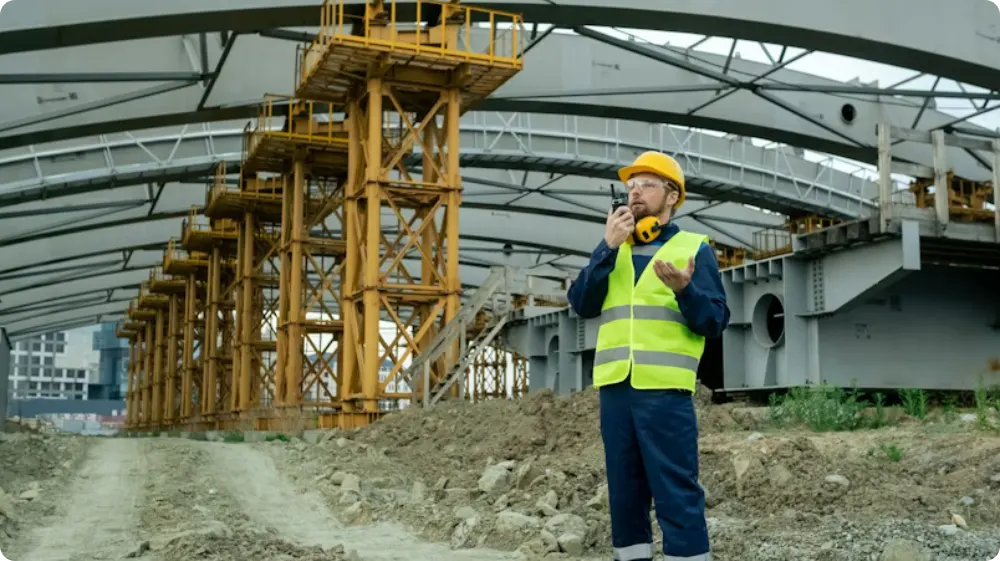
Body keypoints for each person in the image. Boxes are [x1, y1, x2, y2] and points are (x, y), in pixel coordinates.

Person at [566, 151, 730, 561]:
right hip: (616, 391)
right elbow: (582, 304)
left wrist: (685, 290)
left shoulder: (693, 249)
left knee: (676, 490)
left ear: (672, 196)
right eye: (630, 186)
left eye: (646, 185)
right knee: (624, 492)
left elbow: (714, 321)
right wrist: (605, 248)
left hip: (664, 393)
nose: (635, 192)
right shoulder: (612, 249)